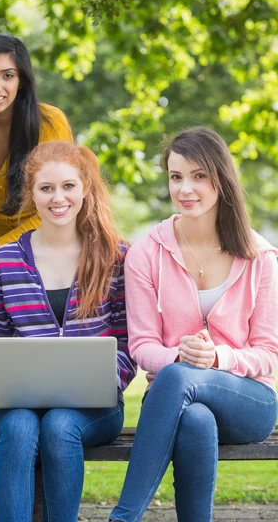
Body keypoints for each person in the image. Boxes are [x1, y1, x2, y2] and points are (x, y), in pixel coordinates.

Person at [109, 126, 278, 522]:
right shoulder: (146, 254)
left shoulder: (261, 258)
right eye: (176, 176)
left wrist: (215, 357)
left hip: (248, 401)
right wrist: (180, 354)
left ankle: (124, 516)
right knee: (195, 416)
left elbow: (268, 354)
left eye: (199, 176)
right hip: (174, 399)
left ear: (221, 178)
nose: (186, 188)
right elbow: (142, 345)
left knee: (180, 377)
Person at [0, 140, 137, 522]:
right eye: (46, 188)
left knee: (59, 424)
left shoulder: (115, 257)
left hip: (94, 406)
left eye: (68, 186)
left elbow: (128, 340)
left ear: (85, 188)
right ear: (31, 193)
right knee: (18, 427)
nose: (58, 198)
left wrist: (104, 380)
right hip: (20, 401)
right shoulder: (4, 262)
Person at [0, 34, 73, 253]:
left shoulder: (50, 123)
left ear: (21, 82)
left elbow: (61, 199)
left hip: (55, 243)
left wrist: (1, 250)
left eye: (7, 76)